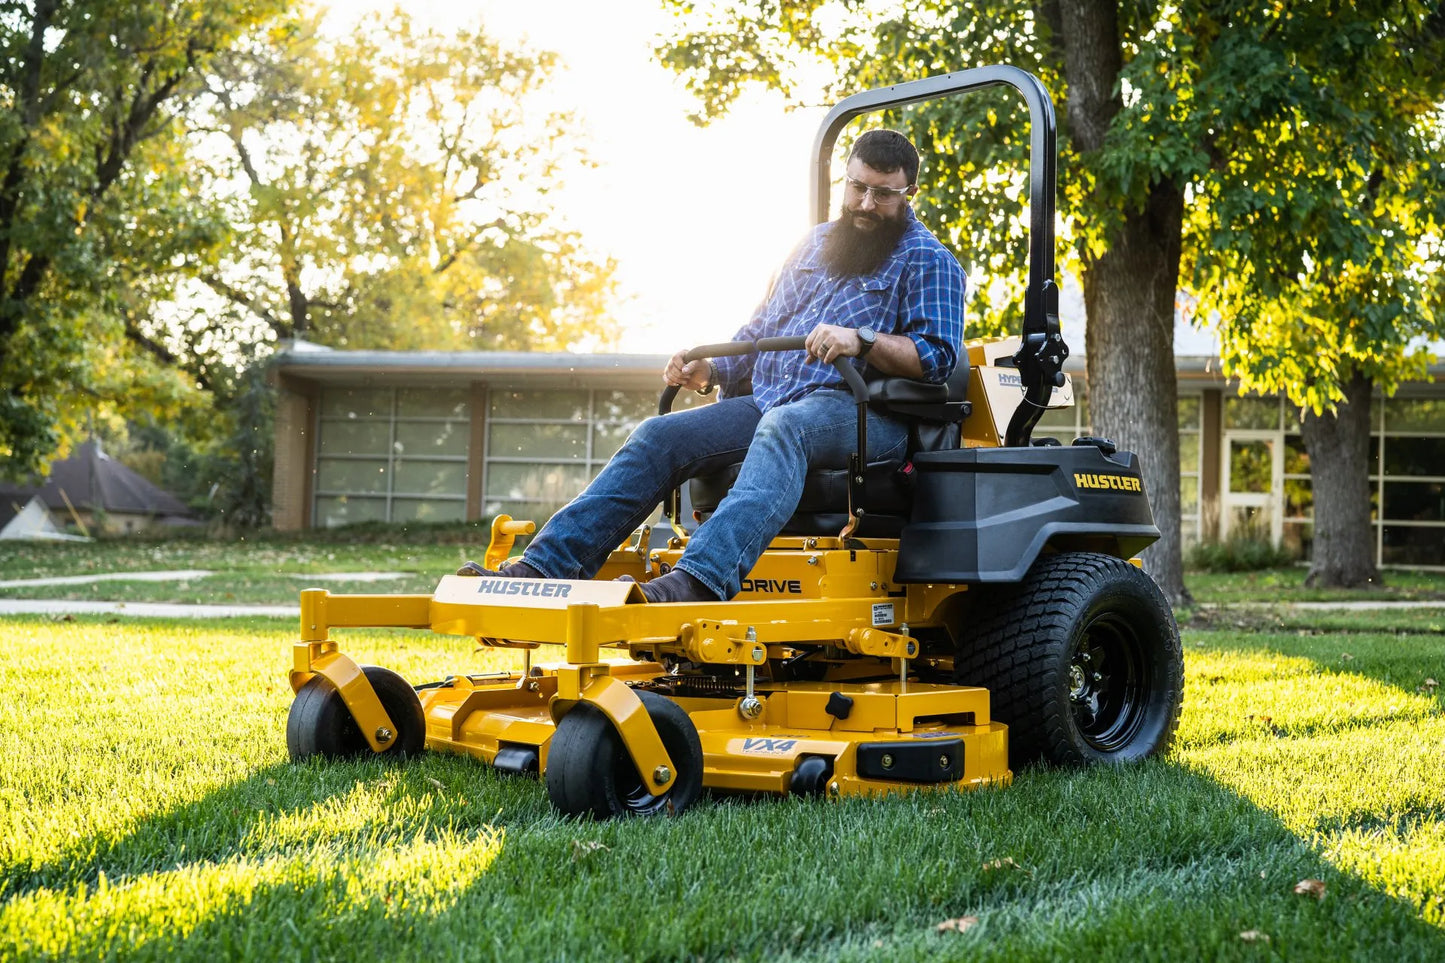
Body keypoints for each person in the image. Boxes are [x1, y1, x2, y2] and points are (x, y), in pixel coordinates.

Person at [459, 128, 966, 602]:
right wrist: (711, 371)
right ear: (847, 179)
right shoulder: (812, 245)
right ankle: (543, 569)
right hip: (769, 402)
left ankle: (699, 579)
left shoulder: (928, 260)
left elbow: (937, 359)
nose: (865, 203)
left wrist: (863, 339)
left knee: (785, 427)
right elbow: (761, 330)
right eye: (857, 188)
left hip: (864, 416)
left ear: (908, 194)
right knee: (661, 436)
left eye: (883, 194)